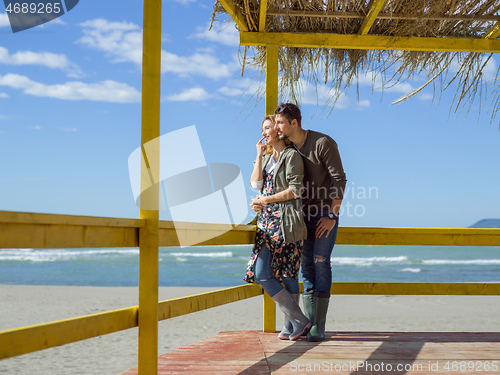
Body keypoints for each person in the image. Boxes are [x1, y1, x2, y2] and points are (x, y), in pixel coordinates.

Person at [274, 103, 347, 342]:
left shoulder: (323, 143)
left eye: (280, 123)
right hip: (301, 216)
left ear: (294, 122)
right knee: (306, 267)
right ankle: (308, 323)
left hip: (325, 213)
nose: (277, 127)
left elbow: (340, 179)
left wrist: (332, 216)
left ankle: (318, 325)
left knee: (321, 262)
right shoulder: (287, 148)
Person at [244, 114, 311, 341]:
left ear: (278, 131)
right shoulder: (267, 157)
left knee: (288, 274)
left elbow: (295, 190)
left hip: (286, 221)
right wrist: (258, 156)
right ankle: (298, 319)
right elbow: (256, 185)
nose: (264, 132)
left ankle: (292, 324)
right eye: (262, 128)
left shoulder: (291, 155)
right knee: (262, 273)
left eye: (268, 128)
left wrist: (266, 200)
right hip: (266, 223)